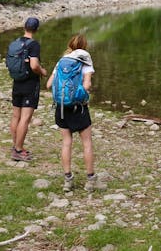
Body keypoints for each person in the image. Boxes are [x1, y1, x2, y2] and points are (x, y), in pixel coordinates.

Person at [47, 33, 96, 191]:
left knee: (66, 143)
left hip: (61, 107)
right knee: (87, 143)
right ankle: (90, 180)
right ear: (84, 46)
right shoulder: (85, 61)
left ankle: (68, 180)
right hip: (78, 107)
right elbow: (87, 85)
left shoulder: (62, 61)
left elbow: (49, 84)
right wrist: (80, 91)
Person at [9, 16, 49, 161]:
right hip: (29, 84)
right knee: (25, 119)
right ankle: (18, 150)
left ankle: (16, 145)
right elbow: (34, 65)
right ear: (36, 29)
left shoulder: (16, 43)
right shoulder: (33, 45)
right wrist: (43, 72)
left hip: (17, 82)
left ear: (24, 27)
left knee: (16, 116)